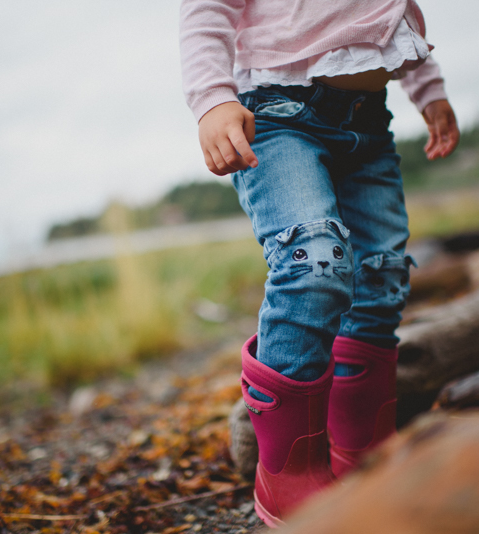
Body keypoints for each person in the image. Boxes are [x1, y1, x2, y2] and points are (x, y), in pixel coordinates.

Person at [179, 0, 459, 527]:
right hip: (276, 118)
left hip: (369, 124)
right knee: (314, 265)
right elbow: (206, 10)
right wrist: (212, 98)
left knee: (381, 276)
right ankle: (289, 471)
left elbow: (392, 13)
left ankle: (364, 454)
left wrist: (429, 88)